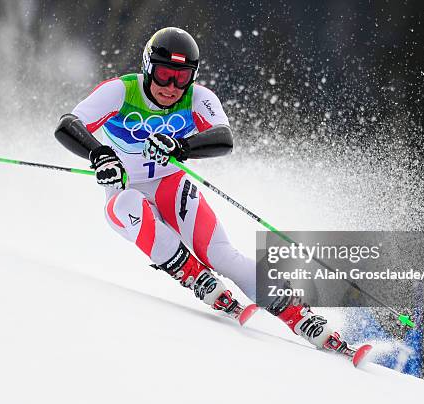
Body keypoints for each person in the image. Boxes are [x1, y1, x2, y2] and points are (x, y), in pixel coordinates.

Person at [54, 27, 355, 355]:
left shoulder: (198, 98)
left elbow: (223, 138)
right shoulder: (120, 91)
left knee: (222, 254)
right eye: (164, 74)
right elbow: (68, 124)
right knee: (127, 204)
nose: (171, 87)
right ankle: (194, 275)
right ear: (148, 68)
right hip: (125, 190)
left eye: (181, 78)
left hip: (171, 185)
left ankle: (298, 314)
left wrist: (181, 146)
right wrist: (99, 155)